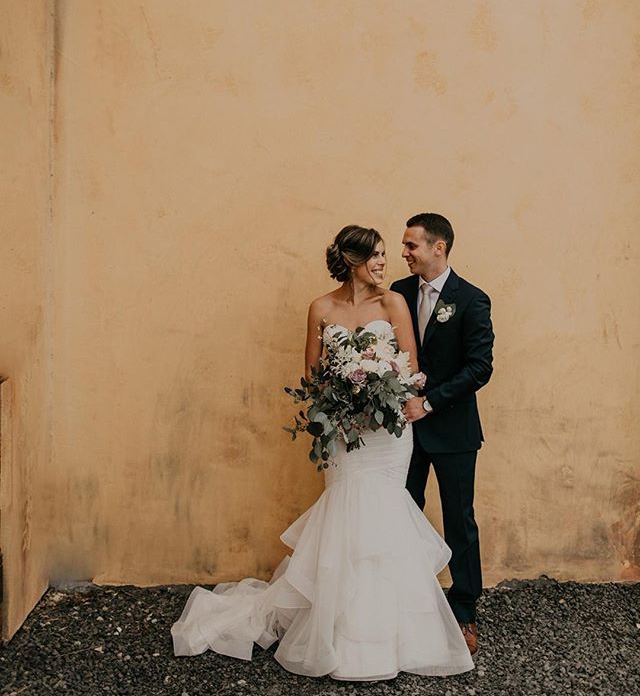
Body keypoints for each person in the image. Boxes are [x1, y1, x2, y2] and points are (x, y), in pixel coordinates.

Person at [171, 224, 474, 680]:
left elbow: (412, 371)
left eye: (387, 255)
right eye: (375, 255)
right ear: (352, 260)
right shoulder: (320, 308)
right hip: (342, 436)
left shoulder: (393, 303)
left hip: (387, 436)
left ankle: (397, 634)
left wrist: (380, 395)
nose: (382, 263)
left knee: (385, 517)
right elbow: (311, 378)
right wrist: (341, 403)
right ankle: (338, 628)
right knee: (345, 516)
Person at [391, 213, 494, 657]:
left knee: (460, 521)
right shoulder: (397, 293)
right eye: (404, 245)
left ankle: (464, 609)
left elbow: (480, 367)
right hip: (401, 433)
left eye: (412, 245)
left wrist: (429, 401)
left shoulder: (471, 300)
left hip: (452, 429)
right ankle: (406, 603)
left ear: (439, 247)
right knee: (400, 517)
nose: (404, 253)